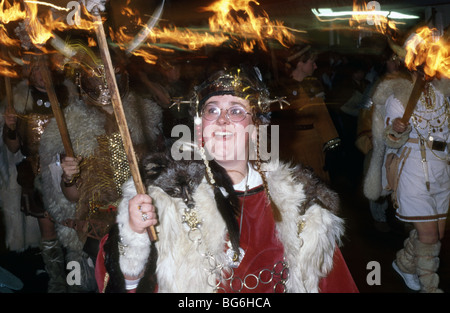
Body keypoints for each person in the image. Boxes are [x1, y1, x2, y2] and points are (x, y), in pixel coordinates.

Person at [95, 66, 358, 293]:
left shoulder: (301, 201)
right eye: (212, 110)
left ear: (256, 128)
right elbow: (124, 283)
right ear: (200, 128)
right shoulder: (167, 195)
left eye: (235, 111)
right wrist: (135, 234)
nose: (222, 120)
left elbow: (332, 282)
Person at [39, 44, 163, 292]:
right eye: (99, 75)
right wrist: (69, 178)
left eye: (111, 74)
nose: (106, 81)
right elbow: (72, 196)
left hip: (138, 225)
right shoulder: (73, 127)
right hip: (96, 229)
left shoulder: (145, 118)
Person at [364, 62, 449, 292]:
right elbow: (389, 139)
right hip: (413, 170)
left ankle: (404, 265)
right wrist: (397, 130)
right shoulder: (398, 95)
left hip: (442, 170)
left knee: (435, 235)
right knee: (429, 236)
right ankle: (430, 287)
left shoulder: (444, 91)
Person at [2, 55, 75, 292]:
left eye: (45, 69)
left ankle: (78, 279)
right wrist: (10, 127)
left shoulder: (68, 96)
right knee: (48, 227)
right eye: (36, 70)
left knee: (75, 227)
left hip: (68, 171)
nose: (41, 74)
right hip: (36, 173)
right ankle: (56, 281)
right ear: (30, 74)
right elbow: (13, 147)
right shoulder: (20, 101)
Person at [271, 44, 341, 184]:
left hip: (312, 148)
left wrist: (332, 148)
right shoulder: (279, 89)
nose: (315, 66)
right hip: (288, 148)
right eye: (312, 62)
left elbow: (322, 119)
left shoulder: (313, 87)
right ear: (300, 63)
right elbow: (272, 122)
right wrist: (273, 154)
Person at [357, 51, 403, 232]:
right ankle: (379, 216)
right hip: (380, 139)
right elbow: (365, 110)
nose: (396, 64)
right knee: (377, 176)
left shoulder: (408, 83)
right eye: (392, 60)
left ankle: (401, 214)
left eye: (399, 60)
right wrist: (369, 134)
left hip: (402, 140)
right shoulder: (379, 84)